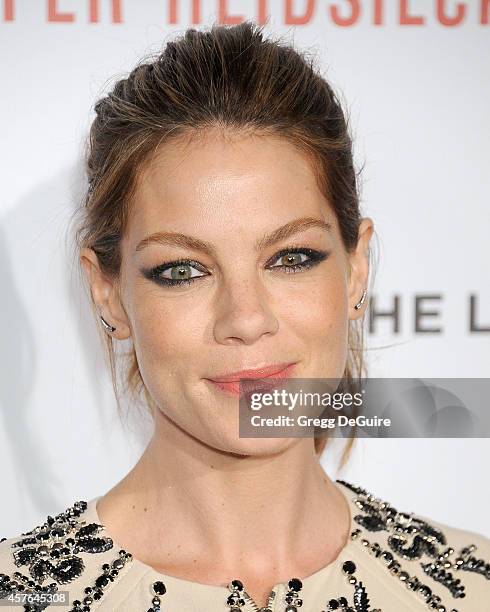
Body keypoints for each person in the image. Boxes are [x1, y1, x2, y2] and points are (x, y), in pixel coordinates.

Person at [1, 20, 489, 612]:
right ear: (107, 292)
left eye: (291, 258)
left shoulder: (470, 584)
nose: (246, 318)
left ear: (356, 268)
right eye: (183, 269)